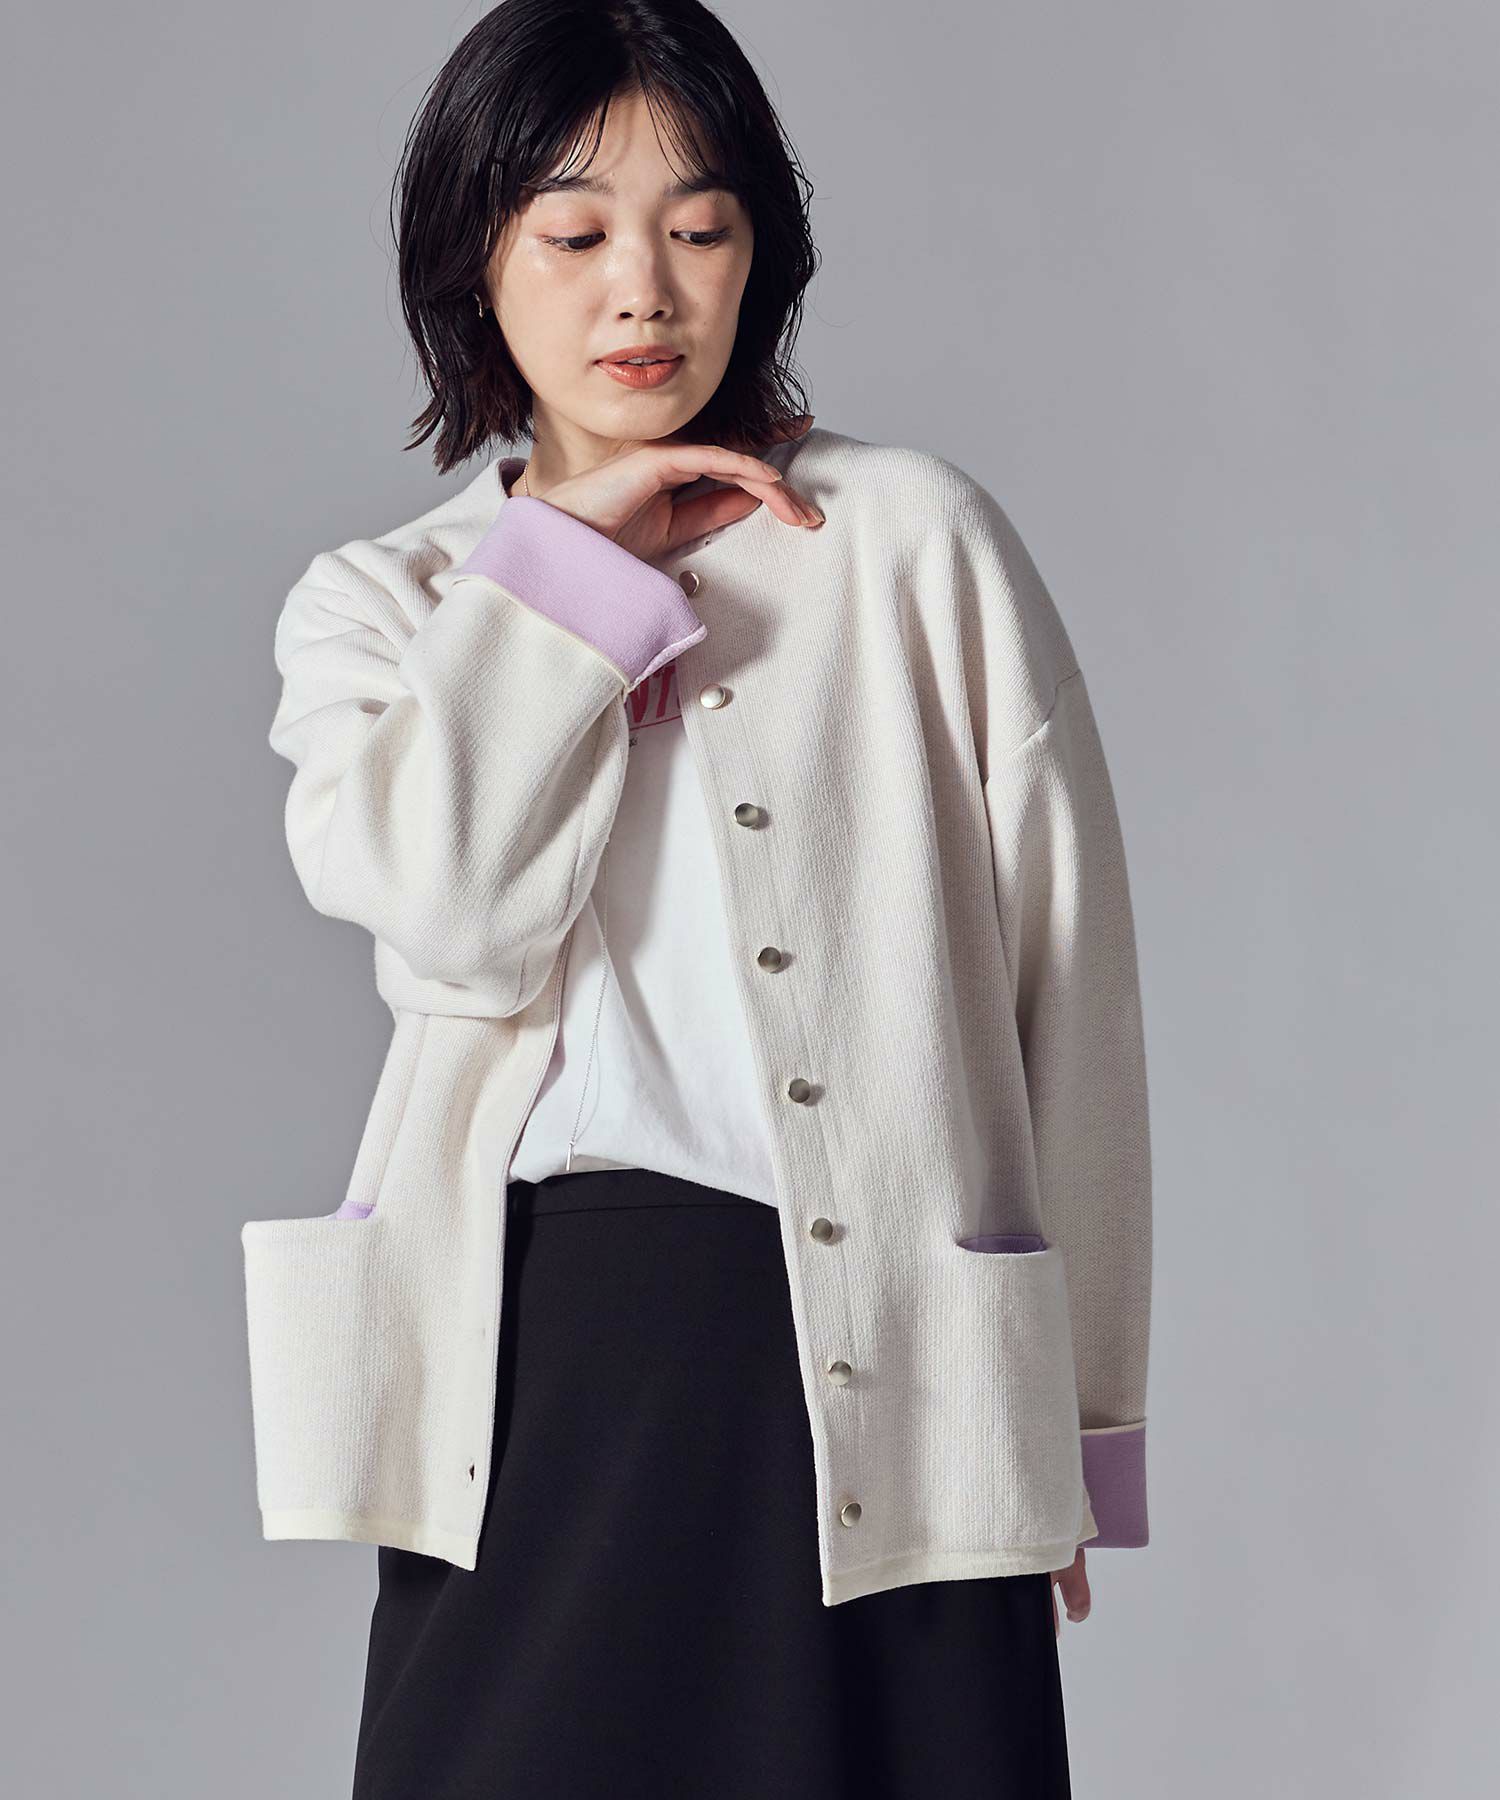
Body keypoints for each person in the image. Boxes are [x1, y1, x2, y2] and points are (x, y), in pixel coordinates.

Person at [241, 3, 1153, 1795]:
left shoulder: (909, 541)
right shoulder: (390, 604)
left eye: (701, 227)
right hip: (542, 1361)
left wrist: (1072, 1426)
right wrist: (566, 576)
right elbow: (450, 919)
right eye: (575, 235)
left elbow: (1075, 991)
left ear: (761, 255)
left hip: (900, 1355)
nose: (642, 291)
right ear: (475, 263)